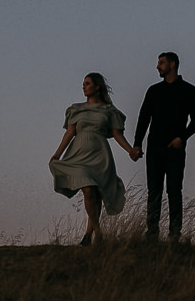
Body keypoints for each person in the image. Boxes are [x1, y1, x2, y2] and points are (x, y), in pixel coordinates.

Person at [48, 72, 140, 246]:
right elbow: (69, 133)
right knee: (88, 190)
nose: (84, 86)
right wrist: (57, 154)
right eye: (83, 83)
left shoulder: (109, 111)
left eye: (88, 83)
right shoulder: (76, 109)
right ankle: (99, 234)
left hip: (100, 155)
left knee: (96, 195)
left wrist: (130, 151)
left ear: (97, 86)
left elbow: (117, 134)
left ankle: (87, 236)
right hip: (78, 154)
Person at [133, 51, 195, 242]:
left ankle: (174, 234)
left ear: (172, 64)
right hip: (154, 147)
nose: (157, 66)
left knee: (173, 189)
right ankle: (152, 233)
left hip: (175, 149)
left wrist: (183, 137)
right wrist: (137, 144)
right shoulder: (154, 91)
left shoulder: (189, 90)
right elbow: (143, 118)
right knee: (154, 191)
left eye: (161, 63)